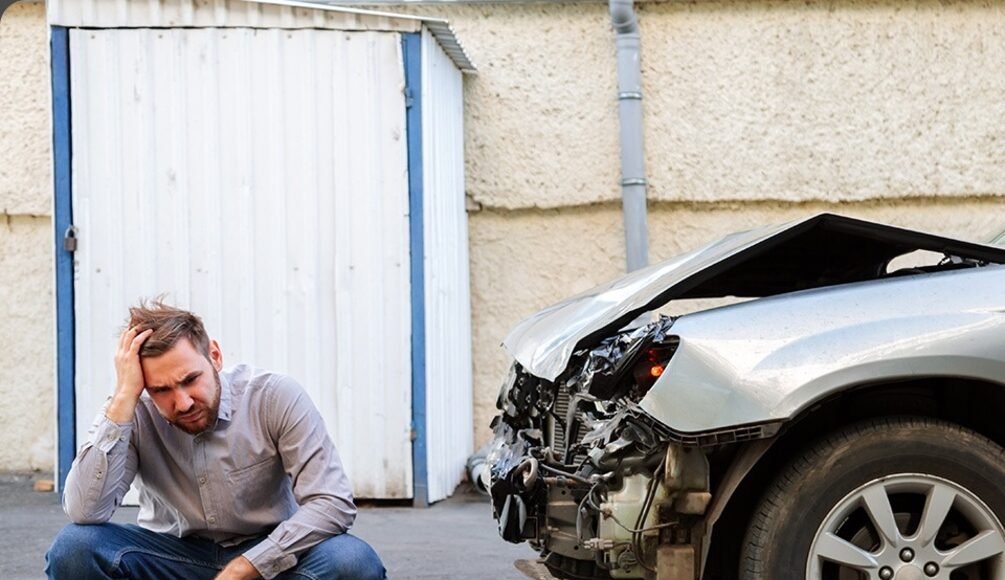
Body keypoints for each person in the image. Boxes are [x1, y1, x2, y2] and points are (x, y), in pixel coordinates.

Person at [45, 300, 385, 579]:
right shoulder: (133, 409)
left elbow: (331, 502)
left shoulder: (273, 397)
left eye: (191, 379)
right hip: (172, 558)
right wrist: (123, 399)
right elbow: (84, 511)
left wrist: (247, 566)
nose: (183, 402)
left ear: (216, 357)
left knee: (351, 562)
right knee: (75, 548)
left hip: (272, 557)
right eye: (161, 389)